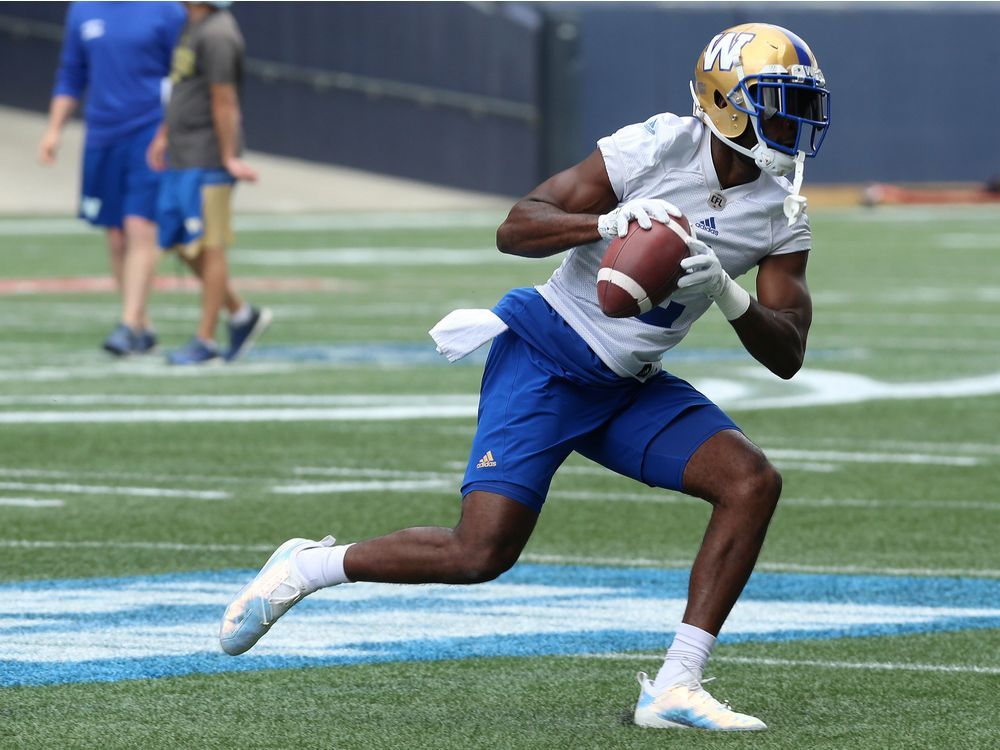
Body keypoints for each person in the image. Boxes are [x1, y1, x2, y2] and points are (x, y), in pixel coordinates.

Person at [219, 23, 831, 731]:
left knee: (750, 481)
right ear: (726, 101)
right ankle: (309, 567)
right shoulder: (659, 145)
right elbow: (516, 225)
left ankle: (675, 685)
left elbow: (787, 351)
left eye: (802, 106)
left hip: (625, 381)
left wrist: (730, 293)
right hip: (545, 354)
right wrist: (604, 222)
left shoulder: (782, 205)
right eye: (779, 103)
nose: (795, 123)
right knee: (479, 553)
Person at [38, 1, 186, 356]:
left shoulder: (165, 11)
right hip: (102, 135)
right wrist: (54, 130)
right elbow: (72, 73)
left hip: (149, 133)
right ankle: (142, 325)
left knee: (140, 227)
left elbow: (181, 77)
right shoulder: (83, 10)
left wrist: (167, 131)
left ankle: (128, 322)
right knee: (116, 235)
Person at [147, 1, 271, 365]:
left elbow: (224, 98)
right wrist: (163, 134)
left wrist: (229, 155)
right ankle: (241, 314)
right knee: (180, 242)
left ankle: (205, 340)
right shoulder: (193, 24)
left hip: (208, 156)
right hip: (183, 152)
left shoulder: (218, 33)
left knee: (209, 245)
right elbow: (184, 89)